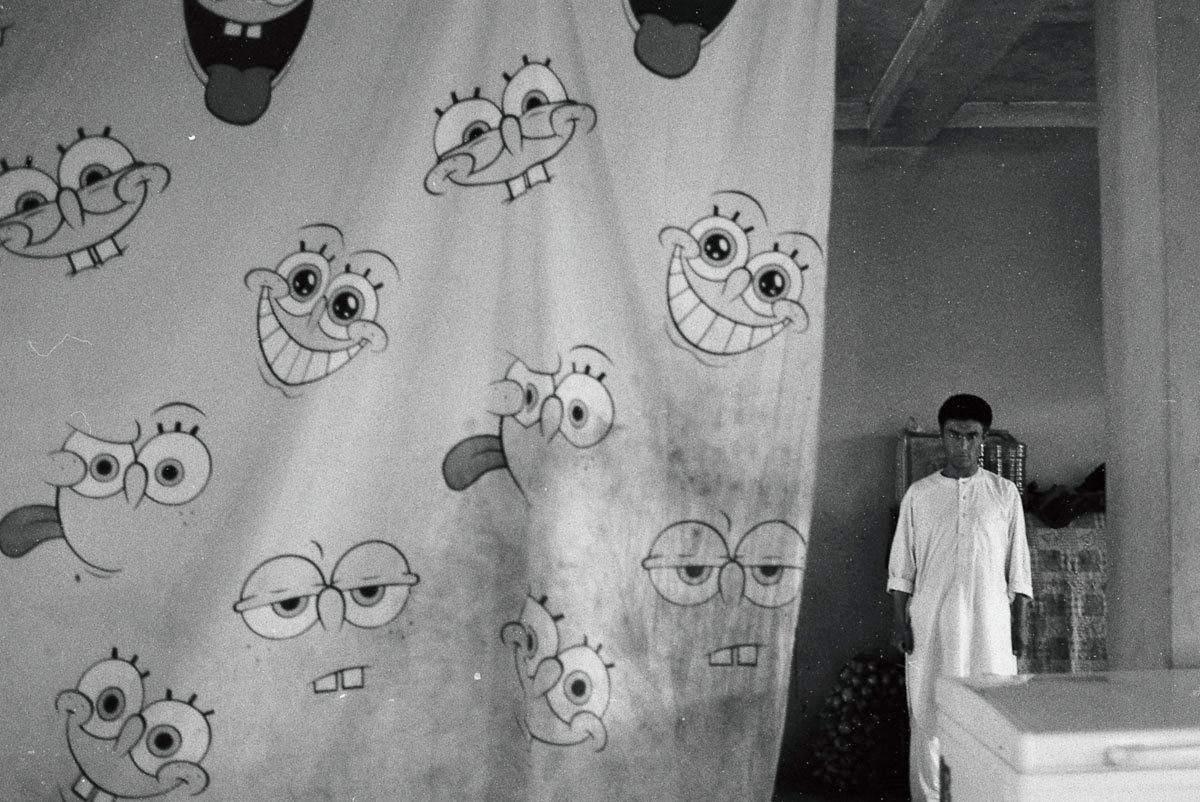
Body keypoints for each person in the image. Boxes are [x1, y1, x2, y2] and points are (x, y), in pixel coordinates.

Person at [887, 394, 1032, 802]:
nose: (963, 445)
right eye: (955, 435)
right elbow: (901, 570)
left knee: (993, 713)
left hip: (989, 623)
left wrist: (1018, 627)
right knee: (929, 713)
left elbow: (1018, 571)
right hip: (930, 622)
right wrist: (899, 623)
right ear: (942, 436)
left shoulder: (1004, 494)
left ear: (983, 438)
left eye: (972, 436)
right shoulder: (919, 495)